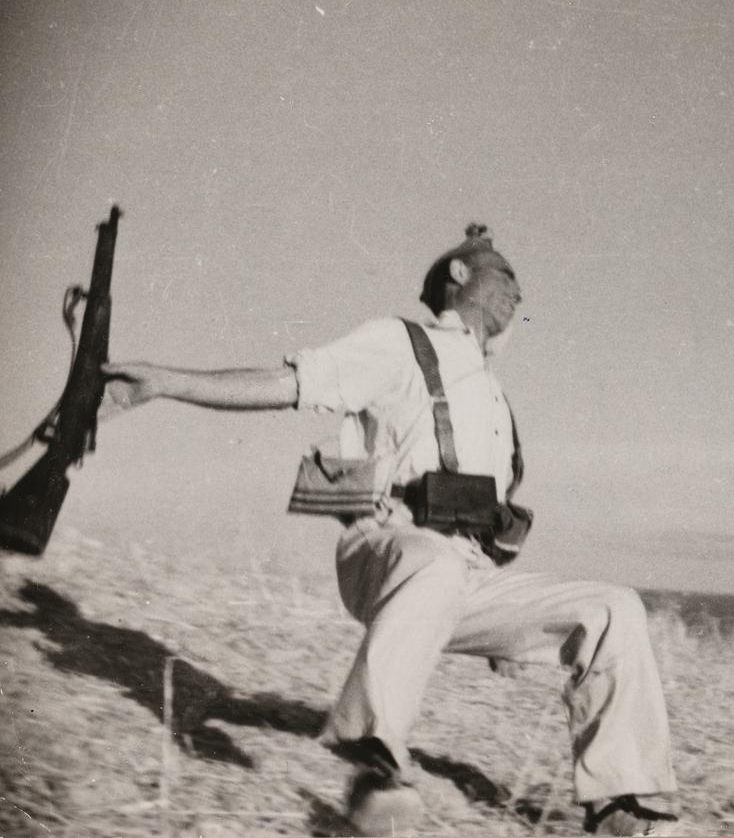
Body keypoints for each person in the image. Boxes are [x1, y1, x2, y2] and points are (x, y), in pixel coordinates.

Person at [103, 225, 681, 837]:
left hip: (464, 574)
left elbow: (489, 518)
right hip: (386, 548)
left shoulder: (493, 397)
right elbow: (290, 384)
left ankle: (622, 806)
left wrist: (507, 629)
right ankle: (374, 764)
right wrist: (166, 382)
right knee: (431, 562)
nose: (519, 291)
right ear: (460, 275)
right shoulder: (400, 342)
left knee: (614, 609)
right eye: (506, 275)